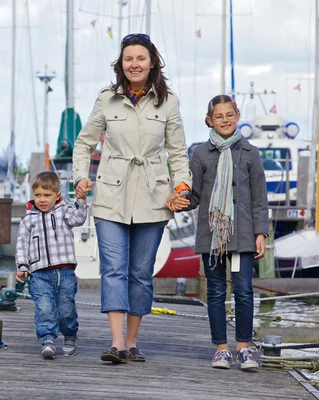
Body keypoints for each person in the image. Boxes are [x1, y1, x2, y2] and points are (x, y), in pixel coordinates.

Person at [72, 33, 192, 364]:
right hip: (110, 195)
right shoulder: (106, 98)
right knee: (113, 268)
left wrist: (181, 188)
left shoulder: (168, 101)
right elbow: (84, 144)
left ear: (152, 61)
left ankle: (132, 340)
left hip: (154, 198)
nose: (134, 64)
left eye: (141, 58)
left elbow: (178, 153)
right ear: (121, 64)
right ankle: (116, 344)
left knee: (140, 271)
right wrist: (81, 177)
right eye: (128, 59)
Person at [181, 94, 268, 370]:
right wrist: (179, 199)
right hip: (212, 236)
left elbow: (259, 198)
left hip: (242, 235)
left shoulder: (250, 153)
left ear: (238, 115)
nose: (225, 120)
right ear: (210, 120)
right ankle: (221, 348)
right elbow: (194, 195)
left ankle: (243, 347)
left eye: (229, 115)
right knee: (216, 292)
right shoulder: (201, 154)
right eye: (218, 116)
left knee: (243, 291)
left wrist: (260, 233)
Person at [15, 171, 88, 359]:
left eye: (47, 195)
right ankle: (47, 339)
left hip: (64, 271)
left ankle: (70, 334)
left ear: (57, 195)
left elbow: (79, 218)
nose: (42, 199)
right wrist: (23, 266)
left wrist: (81, 201)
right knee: (44, 307)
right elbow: (22, 245)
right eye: (38, 195)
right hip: (39, 273)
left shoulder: (65, 212)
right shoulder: (28, 220)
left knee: (66, 309)